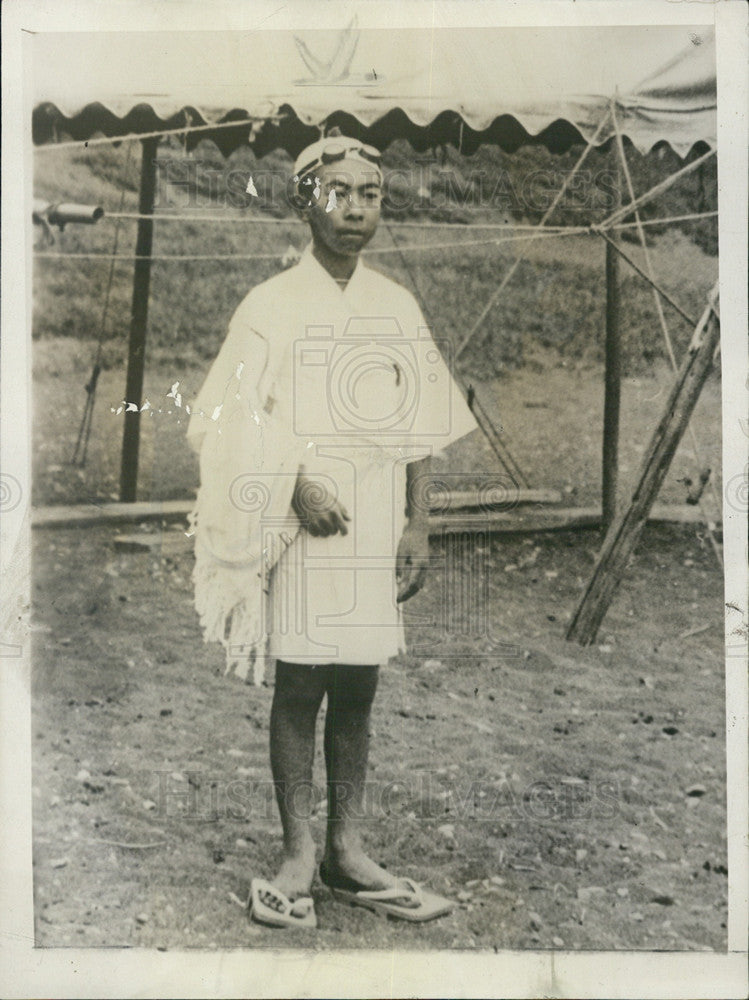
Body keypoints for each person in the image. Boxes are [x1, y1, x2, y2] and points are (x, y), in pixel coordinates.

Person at [188, 134, 477, 928]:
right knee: (301, 685)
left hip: (374, 525)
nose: (355, 208)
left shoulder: (394, 305)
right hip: (303, 529)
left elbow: (422, 426)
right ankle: (297, 849)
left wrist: (418, 523)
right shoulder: (271, 304)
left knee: (358, 688)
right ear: (302, 200)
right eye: (340, 191)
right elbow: (222, 418)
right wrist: (292, 482)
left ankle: (346, 848)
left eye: (372, 193)